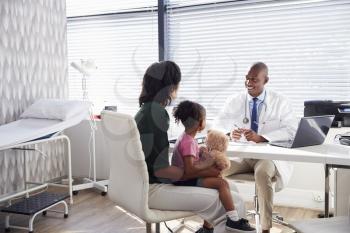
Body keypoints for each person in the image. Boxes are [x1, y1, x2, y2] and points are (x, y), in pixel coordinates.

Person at [135, 61, 247, 233]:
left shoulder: (145, 111)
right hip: (153, 189)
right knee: (231, 199)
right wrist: (201, 171)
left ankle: (209, 229)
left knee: (231, 188)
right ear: (170, 86)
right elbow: (161, 170)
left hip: (142, 185)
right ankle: (230, 225)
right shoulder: (156, 113)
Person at [214, 62, 297, 233]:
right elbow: (218, 124)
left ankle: (265, 228)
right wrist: (229, 133)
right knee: (215, 170)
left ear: (266, 80)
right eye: (246, 79)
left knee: (262, 173)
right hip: (242, 155)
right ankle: (221, 220)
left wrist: (262, 137)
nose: (249, 83)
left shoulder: (280, 101)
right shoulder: (234, 100)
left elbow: (291, 130)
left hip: (267, 156)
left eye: (254, 79)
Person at [171, 100, 255, 232]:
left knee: (220, 183)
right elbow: (189, 170)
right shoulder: (188, 142)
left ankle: (207, 227)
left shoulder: (186, 138)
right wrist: (211, 172)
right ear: (200, 123)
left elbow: (191, 164)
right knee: (221, 184)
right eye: (204, 119)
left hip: (184, 177)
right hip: (184, 180)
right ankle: (233, 220)